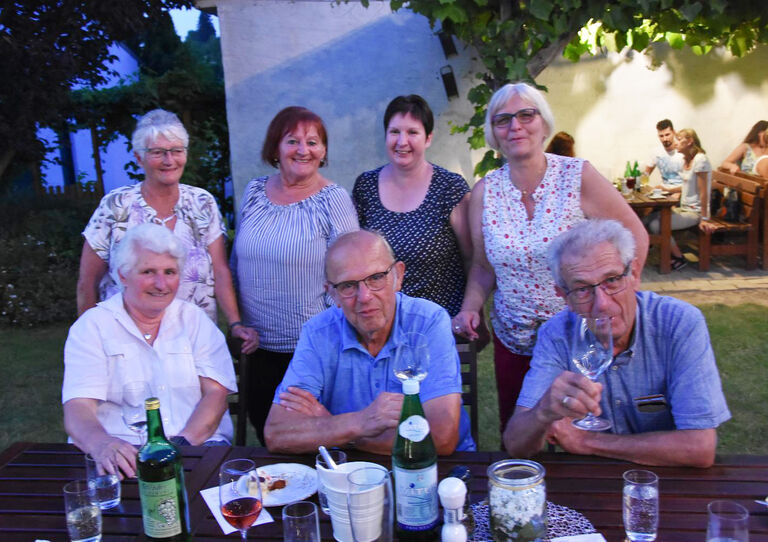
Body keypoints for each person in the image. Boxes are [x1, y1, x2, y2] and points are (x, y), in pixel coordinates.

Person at [451, 82, 649, 433]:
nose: (516, 126)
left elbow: (635, 235)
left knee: (581, 432)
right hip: (514, 340)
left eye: (526, 115)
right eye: (503, 120)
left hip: (579, 337)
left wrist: (619, 300)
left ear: (543, 122)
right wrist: (470, 307)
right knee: (522, 432)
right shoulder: (484, 192)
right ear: (493, 133)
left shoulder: (577, 177)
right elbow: (483, 267)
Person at [503, 219, 730, 468]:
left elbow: (700, 447)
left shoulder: (679, 324)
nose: (601, 304)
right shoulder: (556, 334)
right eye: (582, 290)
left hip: (663, 484)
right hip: (587, 489)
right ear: (563, 296)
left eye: (611, 280)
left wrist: (586, 442)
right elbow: (515, 445)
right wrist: (542, 412)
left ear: (633, 274)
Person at [263, 230, 474, 455]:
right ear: (331, 294)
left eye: (376, 278)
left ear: (398, 276)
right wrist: (361, 422)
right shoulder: (318, 333)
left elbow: (441, 437)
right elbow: (277, 433)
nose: (364, 297)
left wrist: (337, 431)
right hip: (349, 477)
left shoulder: (428, 322)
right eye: (348, 286)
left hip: (439, 472)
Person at [63, 224, 237, 478]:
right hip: (121, 454)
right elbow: (78, 407)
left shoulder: (195, 321)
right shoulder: (92, 327)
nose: (161, 283)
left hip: (195, 448)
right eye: (148, 271)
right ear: (123, 275)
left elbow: (216, 394)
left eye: (170, 272)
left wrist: (177, 449)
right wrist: (102, 445)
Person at [77, 109, 257, 354]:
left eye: (176, 151)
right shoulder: (115, 206)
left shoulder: (202, 203)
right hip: (126, 339)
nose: (169, 160)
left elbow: (221, 270)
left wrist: (235, 323)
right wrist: (87, 340)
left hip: (193, 338)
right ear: (139, 158)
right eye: (158, 152)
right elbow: (87, 282)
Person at [231, 106, 359, 445]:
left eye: (313, 142)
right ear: (275, 147)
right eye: (293, 141)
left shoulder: (333, 200)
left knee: (314, 439)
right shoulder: (254, 192)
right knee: (268, 433)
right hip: (257, 347)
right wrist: (235, 324)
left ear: (324, 151)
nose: (303, 150)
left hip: (312, 349)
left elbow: (351, 273)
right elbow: (236, 262)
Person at [353, 95, 472, 319]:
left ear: (428, 138)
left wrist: (470, 311)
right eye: (395, 131)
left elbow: (471, 259)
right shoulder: (365, 186)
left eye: (412, 132)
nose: (402, 141)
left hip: (441, 323)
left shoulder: (450, 188)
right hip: (382, 324)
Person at [645, 128, 712, 271]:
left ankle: (678, 258)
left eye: (679, 139)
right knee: (647, 219)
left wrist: (705, 219)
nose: (675, 142)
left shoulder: (700, 160)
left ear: (690, 142)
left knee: (657, 225)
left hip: (696, 212)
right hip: (684, 207)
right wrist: (668, 190)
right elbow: (687, 186)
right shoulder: (687, 160)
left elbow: (704, 192)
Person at [643, 119, 684, 187]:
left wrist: (678, 193)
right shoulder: (656, 152)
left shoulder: (683, 151)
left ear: (674, 132)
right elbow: (646, 174)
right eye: (661, 136)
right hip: (664, 191)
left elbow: (691, 181)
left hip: (681, 191)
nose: (664, 139)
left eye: (667, 135)